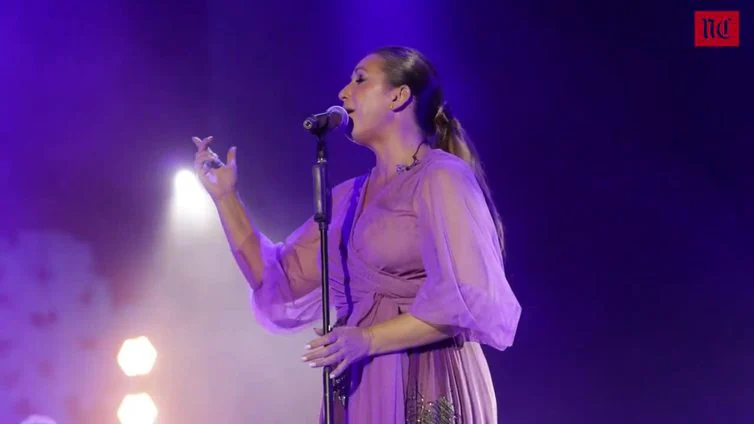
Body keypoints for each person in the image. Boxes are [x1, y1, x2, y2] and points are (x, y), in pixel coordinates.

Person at [192, 46, 522, 423]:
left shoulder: (440, 176)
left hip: (428, 372)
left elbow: (468, 296)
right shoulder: (348, 199)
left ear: (399, 96)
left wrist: (368, 339)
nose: (343, 93)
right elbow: (276, 278)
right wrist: (225, 197)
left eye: (361, 80)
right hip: (361, 382)